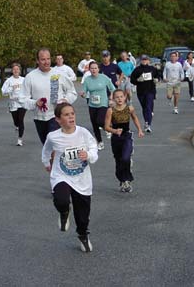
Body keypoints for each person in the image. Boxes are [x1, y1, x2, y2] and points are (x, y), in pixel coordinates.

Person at [42, 103, 98, 252]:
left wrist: (89, 155)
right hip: (61, 175)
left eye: (72, 113)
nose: (71, 116)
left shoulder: (83, 133)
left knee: (83, 216)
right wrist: (46, 162)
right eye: (66, 115)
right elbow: (46, 150)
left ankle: (83, 235)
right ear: (58, 120)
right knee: (61, 200)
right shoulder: (53, 136)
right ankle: (64, 212)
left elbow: (94, 147)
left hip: (82, 179)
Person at [20, 48, 77, 144]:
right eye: (43, 59)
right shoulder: (30, 77)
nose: (46, 62)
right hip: (40, 118)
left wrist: (66, 99)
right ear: (37, 61)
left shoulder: (60, 74)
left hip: (57, 116)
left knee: (55, 144)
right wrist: (35, 103)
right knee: (47, 146)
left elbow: (72, 92)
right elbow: (22, 99)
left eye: (48, 59)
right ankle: (51, 159)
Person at [104, 89, 144, 192]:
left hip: (127, 135)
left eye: (121, 96)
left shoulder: (129, 108)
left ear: (125, 97)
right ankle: (122, 180)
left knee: (125, 158)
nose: (119, 99)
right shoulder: (110, 110)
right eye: (117, 97)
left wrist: (140, 130)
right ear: (113, 99)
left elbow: (135, 118)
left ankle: (127, 180)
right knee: (118, 161)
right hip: (116, 138)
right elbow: (106, 127)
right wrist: (114, 130)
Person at [81, 61, 115, 150]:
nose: (94, 70)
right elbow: (84, 91)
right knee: (94, 125)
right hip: (92, 104)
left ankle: (107, 128)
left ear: (98, 69)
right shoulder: (87, 80)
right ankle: (100, 142)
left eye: (95, 68)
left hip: (103, 103)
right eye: (92, 68)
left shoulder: (104, 78)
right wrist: (83, 94)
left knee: (100, 121)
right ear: (89, 69)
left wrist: (111, 99)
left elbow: (112, 88)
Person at [131, 55, 160, 133]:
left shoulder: (152, 69)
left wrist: (157, 79)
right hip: (141, 92)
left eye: (145, 59)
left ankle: (148, 124)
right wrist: (137, 80)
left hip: (150, 90)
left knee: (148, 106)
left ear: (148, 61)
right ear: (140, 61)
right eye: (143, 60)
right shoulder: (137, 70)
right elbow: (132, 80)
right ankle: (146, 121)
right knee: (144, 108)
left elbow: (158, 76)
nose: (144, 61)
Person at [1, 63, 27, 146]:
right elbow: (3, 92)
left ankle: (20, 139)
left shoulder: (24, 80)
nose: (16, 71)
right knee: (16, 122)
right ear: (12, 71)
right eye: (14, 69)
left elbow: (29, 89)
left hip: (22, 103)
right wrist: (11, 88)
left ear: (19, 71)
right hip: (13, 103)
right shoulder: (9, 81)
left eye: (17, 69)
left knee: (21, 120)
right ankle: (17, 126)